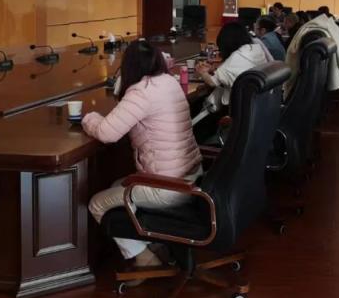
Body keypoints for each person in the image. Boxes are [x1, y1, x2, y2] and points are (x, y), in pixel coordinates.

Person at [85, 40, 203, 273]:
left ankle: (145, 259)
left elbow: (107, 133)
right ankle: (156, 243)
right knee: (117, 186)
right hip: (192, 177)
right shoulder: (168, 81)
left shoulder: (142, 92)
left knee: (97, 203)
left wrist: (89, 118)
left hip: (168, 188)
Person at [196, 22, 269, 110]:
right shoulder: (255, 49)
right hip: (257, 104)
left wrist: (202, 72)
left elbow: (212, 82)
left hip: (234, 109)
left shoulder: (235, 58)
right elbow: (238, 68)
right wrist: (213, 69)